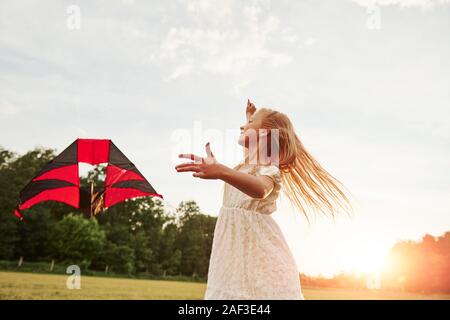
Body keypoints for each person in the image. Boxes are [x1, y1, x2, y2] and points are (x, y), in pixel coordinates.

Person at [175, 99, 352, 299]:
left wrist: (221, 171)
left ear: (265, 134)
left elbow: (260, 190)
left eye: (249, 124)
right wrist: (250, 118)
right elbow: (255, 148)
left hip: (259, 252)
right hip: (233, 252)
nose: (242, 126)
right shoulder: (246, 165)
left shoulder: (268, 169)